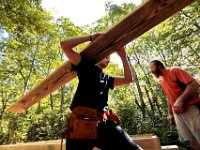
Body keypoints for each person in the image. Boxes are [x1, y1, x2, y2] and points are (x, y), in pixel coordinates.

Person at [60, 33, 142, 150]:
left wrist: (123, 56)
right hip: (81, 124)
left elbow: (128, 79)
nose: (109, 59)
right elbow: (65, 45)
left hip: (102, 124)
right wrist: (90, 37)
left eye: (110, 57)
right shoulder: (85, 65)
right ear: (98, 53)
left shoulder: (107, 79)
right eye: (106, 56)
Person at [149, 60, 200, 150]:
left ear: (160, 66)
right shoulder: (162, 80)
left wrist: (180, 99)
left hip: (191, 108)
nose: (151, 70)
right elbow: (169, 97)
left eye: (152, 68)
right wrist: (170, 114)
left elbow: (194, 84)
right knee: (191, 141)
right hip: (178, 114)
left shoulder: (174, 71)